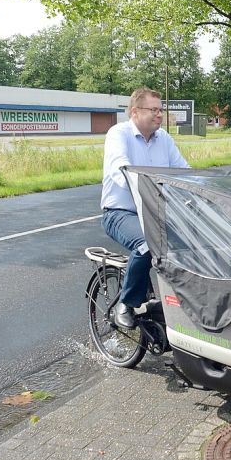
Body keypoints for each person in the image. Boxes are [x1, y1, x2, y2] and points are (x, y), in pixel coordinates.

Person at [101, 87, 189, 328]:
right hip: (120, 213)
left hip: (156, 212)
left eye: (161, 110)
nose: (159, 115)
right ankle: (126, 303)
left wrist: (201, 189)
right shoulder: (119, 134)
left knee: (189, 244)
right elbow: (121, 168)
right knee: (147, 243)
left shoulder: (164, 139)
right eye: (154, 110)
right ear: (135, 112)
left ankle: (177, 304)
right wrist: (144, 187)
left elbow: (183, 171)